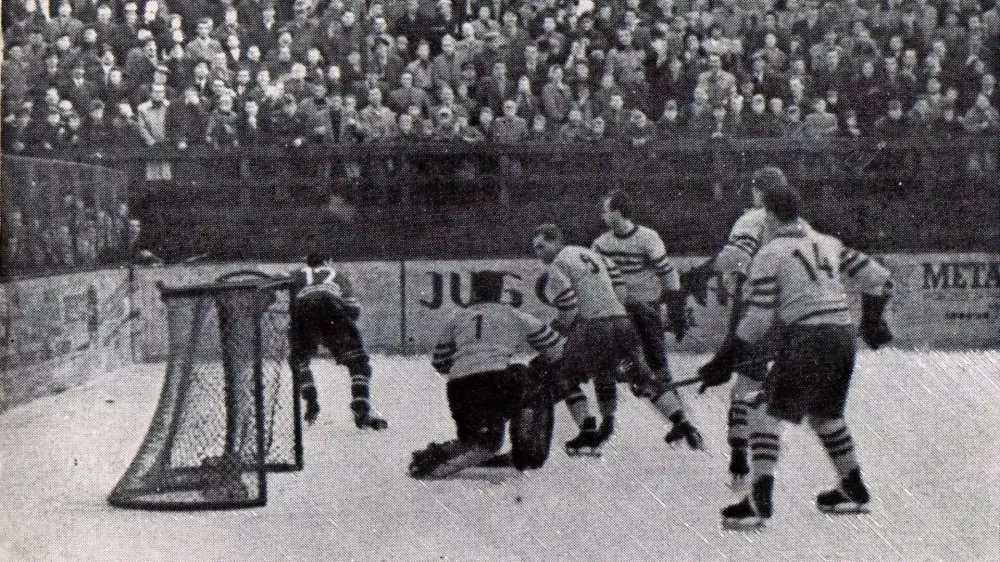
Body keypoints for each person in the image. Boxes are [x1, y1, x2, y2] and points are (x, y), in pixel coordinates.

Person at [699, 182, 893, 529]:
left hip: (809, 337)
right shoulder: (828, 243)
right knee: (826, 416)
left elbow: (756, 321)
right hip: (843, 335)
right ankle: (853, 487)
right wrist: (874, 318)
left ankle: (759, 501)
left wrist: (721, 363)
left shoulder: (769, 255)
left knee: (761, 410)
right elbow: (879, 278)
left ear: (768, 218)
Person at [531, 224, 704, 456]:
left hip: (593, 327)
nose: (538, 253)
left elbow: (569, 311)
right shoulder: (595, 255)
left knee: (563, 376)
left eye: (541, 246)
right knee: (640, 376)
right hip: (622, 322)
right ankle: (683, 424)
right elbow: (620, 292)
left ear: (556, 242)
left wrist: (553, 332)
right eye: (535, 249)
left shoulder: (557, 266)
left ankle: (587, 430)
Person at [409, 271, 560, 479]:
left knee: (473, 441)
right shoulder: (514, 315)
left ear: (473, 292)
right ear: (500, 293)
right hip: (495, 382)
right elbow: (557, 350)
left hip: (458, 387)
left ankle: (435, 457)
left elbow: (440, 362)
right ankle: (526, 452)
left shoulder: (458, 317)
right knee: (529, 381)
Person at [589, 189, 691, 445]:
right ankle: (608, 423)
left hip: (646, 309)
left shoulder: (647, 237)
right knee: (605, 367)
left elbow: (668, 273)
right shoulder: (601, 244)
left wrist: (675, 308)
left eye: (606, 209)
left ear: (618, 212)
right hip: (619, 312)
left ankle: (682, 422)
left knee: (658, 366)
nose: (602, 215)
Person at [287, 253, 388, 430]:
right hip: (330, 308)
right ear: (328, 262)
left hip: (302, 312)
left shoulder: (297, 274)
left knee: (299, 359)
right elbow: (354, 310)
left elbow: (284, 295)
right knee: (358, 362)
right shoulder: (337, 275)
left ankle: (310, 397)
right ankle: (360, 407)